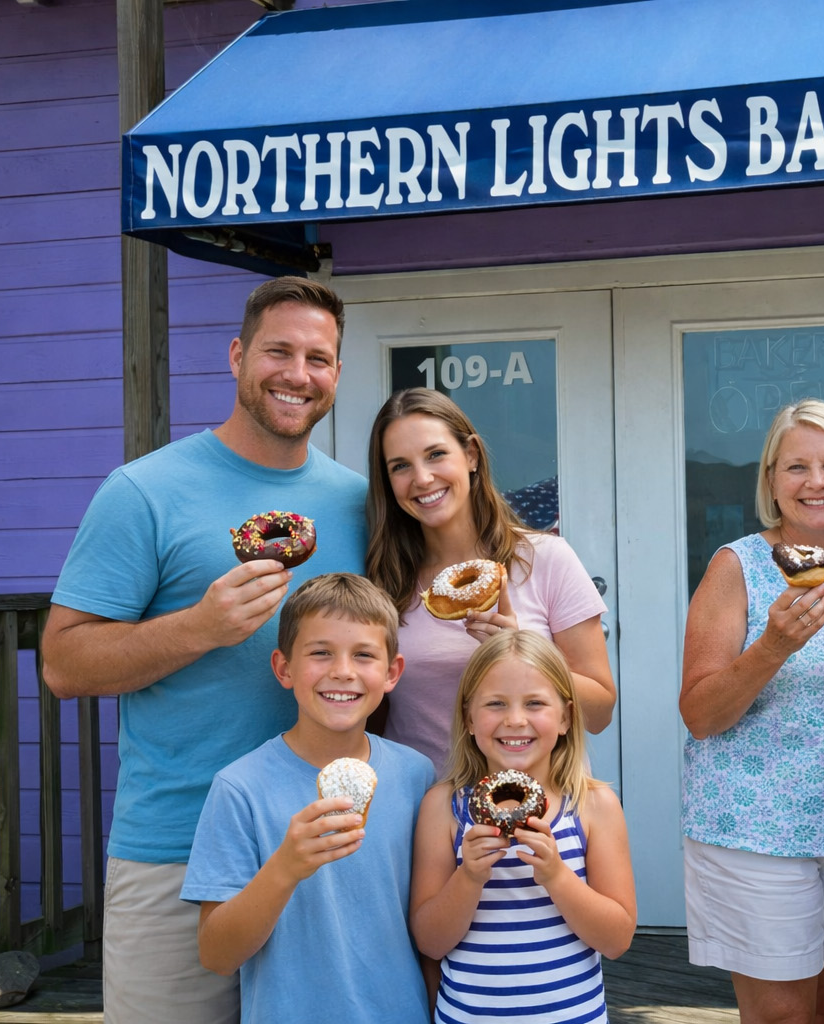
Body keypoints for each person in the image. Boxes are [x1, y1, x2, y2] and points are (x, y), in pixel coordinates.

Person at [40, 276, 367, 1023]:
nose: (297, 374)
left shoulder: (360, 501)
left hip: (328, 841)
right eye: (278, 351)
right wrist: (201, 627)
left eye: (318, 358)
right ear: (235, 356)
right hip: (177, 849)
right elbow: (62, 665)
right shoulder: (143, 491)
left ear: (338, 375)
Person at [679, 399, 824, 1024]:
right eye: (795, 466)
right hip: (757, 832)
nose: (815, 482)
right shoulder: (738, 566)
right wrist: (773, 646)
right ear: (772, 481)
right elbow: (699, 712)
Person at [182, 573, 433, 1022]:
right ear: (284, 668)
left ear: (392, 672)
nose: (342, 671)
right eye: (320, 653)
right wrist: (285, 868)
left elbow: (428, 925)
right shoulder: (240, 788)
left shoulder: (417, 775)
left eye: (363, 655)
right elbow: (217, 955)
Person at [365, 387, 613, 775]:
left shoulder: (543, 558)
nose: (423, 478)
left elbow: (600, 712)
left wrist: (522, 653)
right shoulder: (385, 580)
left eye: (436, 454)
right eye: (400, 466)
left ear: (471, 455)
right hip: (428, 812)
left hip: (533, 811)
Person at [410, 629, 636, 1024]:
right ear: (468, 718)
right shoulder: (444, 809)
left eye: (535, 703)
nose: (515, 720)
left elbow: (616, 940)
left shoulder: (594, 806)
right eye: (495, 704)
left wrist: (556, 876)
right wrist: (469, 878)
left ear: (565, 717)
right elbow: (430, 942)